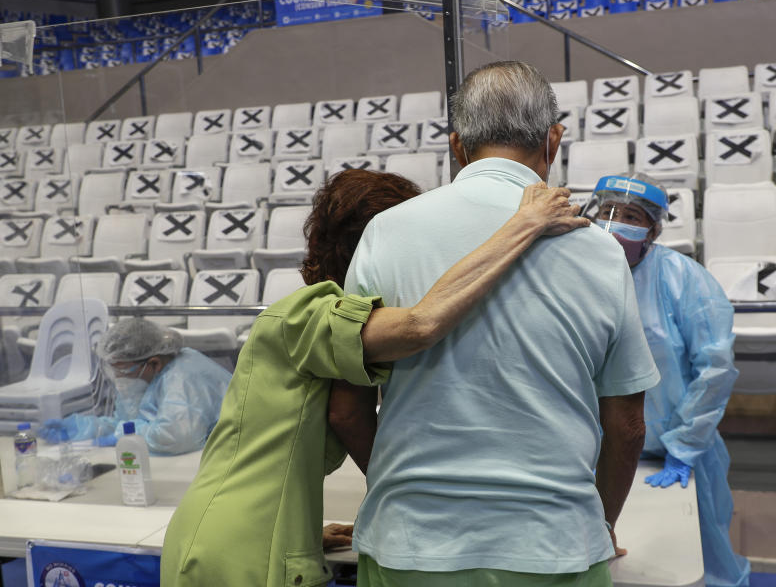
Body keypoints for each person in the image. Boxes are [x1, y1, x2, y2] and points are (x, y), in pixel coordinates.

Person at [160, 168, 588, 587]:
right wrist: (523, 225)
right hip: (239, 550)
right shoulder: (306, 315)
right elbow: (420, 326)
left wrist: (297, 531)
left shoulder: (301, 317)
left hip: (241, 532)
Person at [344, 61, 661, 586]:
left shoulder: (386, 231)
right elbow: (627, 425)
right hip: (554, 543)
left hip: (410, 543)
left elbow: (345, 403)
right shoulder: (599, 253)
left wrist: (398, 489)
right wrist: (598, 526)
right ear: (553, 140)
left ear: (456, 145)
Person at [584, 172, 751, 587]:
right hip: (594, 454)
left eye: (631, 215)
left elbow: (715, 368)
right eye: (607, 211)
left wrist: (683, 445)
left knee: (690, 563)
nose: (615, 221)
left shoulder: (684, 279)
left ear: (654, 230)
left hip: (672, 453)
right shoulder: (576, 275)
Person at [38, 318, 232, 455]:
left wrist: (120, 437)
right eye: (113, 369)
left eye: (122, 370)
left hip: (226, 453)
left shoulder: (182, 376)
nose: (118, 377)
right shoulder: (142, 376)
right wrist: (89, 428)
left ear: (154, 363)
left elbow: (174, 437)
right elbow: (128, 421)